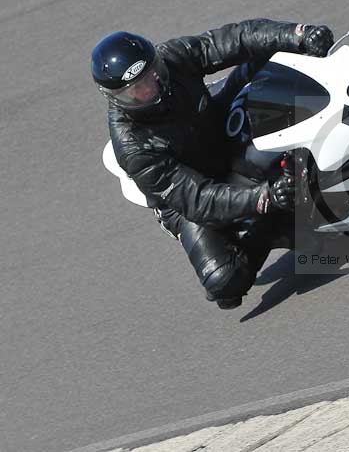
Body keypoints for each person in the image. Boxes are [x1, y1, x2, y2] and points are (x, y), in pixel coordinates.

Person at [91, 19, 334, 309]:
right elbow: (198, 199)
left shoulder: (172, 57)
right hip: (187, 198)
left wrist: (298, 35)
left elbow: (232, 39)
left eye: (152, 74)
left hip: (212, 127)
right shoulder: (134, 147)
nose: (151, 88)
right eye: (136, 90)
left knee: (267, 56)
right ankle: (275, 227)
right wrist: (265, 198)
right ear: (117, 98)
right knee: (226, 281)